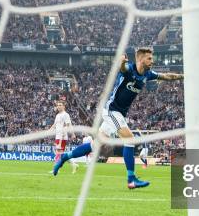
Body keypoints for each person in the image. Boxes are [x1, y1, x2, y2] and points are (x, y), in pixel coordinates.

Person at [53, 47, 184, 189]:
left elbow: (167, 76)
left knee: (95, 145)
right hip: (111, 110)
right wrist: (121, 62)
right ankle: (131, 179)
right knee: (130, 140)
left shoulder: (148, 74)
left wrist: (183, 76)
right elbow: (122, 68)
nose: (152, 61)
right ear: (140, 59)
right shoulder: (129, 69)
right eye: (149, 58)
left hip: (120, 114)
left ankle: (64, 157)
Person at [49, 101, 78, 174]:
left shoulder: (66, 115)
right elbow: (54, 124)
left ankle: (56, 169)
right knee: (61, 153)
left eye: (60, 105)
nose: (58, 106)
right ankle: (74, 164)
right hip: (57, 136)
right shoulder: (58, 115)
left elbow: (68, 125)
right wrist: (49, 130)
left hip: (62, 136)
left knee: (58, 153)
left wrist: (71, 134)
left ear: (64, 106)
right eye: (58, 105)